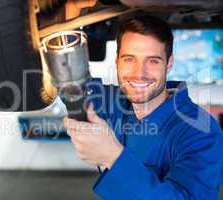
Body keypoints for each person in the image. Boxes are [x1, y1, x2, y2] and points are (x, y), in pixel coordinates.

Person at [63, 15, 223, 199]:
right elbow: (71, 84)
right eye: (129, 59)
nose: (139, 74)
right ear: (117, 62)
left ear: (169, 64)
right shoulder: (114, 102)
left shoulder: (202, 132)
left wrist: (113, 157)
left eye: (153, 61)